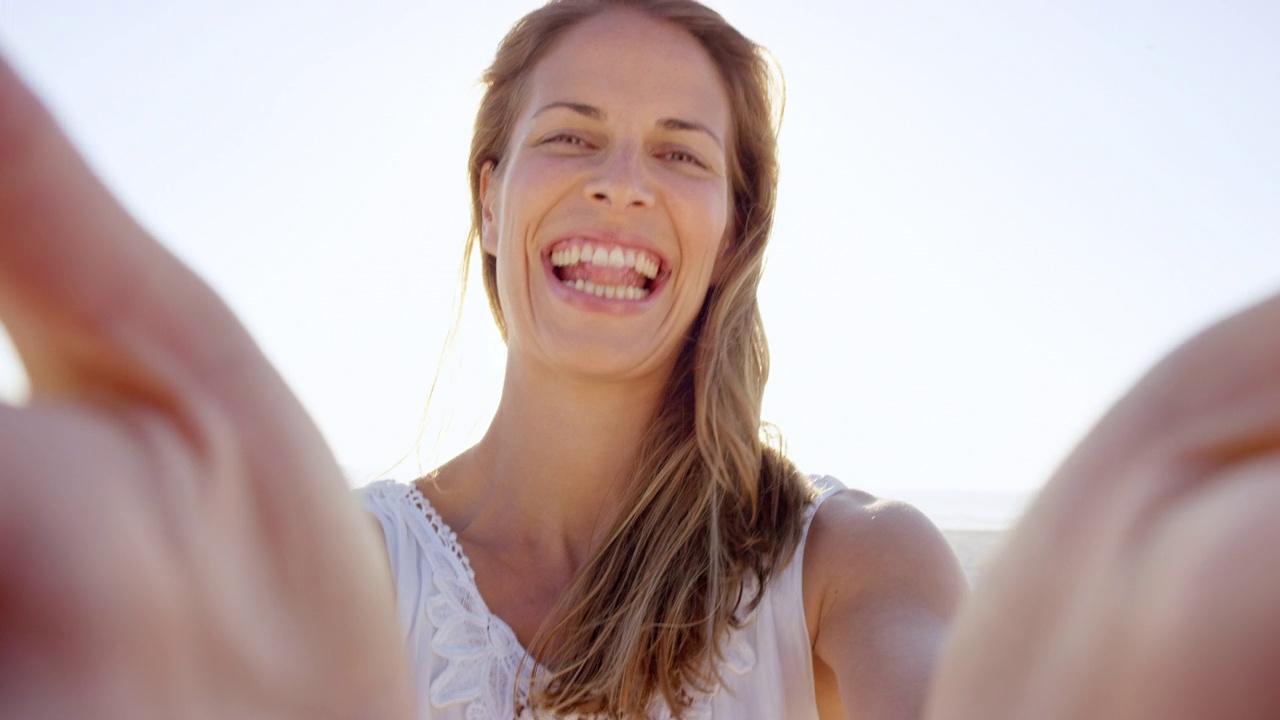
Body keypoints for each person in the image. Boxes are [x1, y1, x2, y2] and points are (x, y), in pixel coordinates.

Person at [1, 2, 1277, 720]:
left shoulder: (844, 563)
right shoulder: (340, 570)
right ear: (490, 197)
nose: (620, 186)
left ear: (732, 232)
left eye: (679, 153)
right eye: (572, 138)